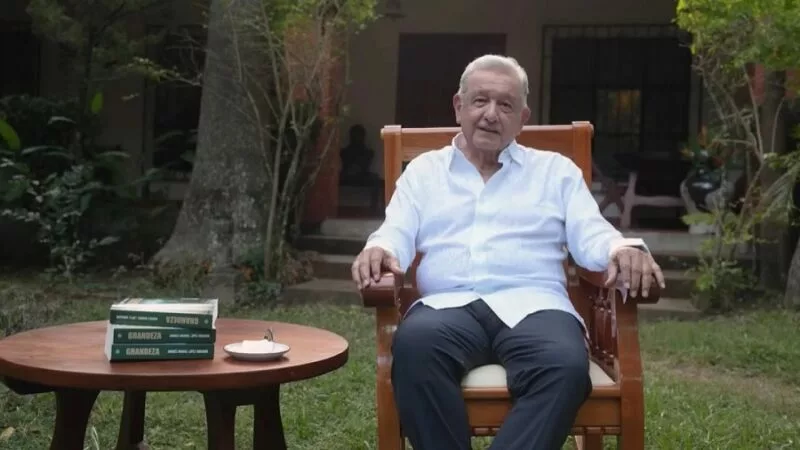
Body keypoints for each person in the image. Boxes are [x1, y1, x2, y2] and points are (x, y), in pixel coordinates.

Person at [350, 54, 665, 450]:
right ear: (459, 106)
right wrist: (379, 248)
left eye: (505, 105)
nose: (491, 114)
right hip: (446, 308)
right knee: (415, 349)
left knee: (565, 366)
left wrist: (622, 248)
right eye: (480, 101)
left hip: (536, 307)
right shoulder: (425, 172)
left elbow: (592, 233)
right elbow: (395, 230)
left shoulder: (555, 172)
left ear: (522, 118)